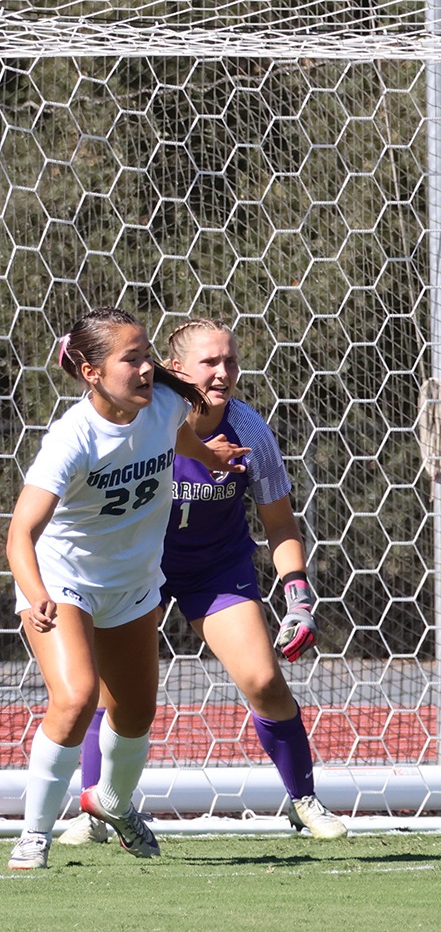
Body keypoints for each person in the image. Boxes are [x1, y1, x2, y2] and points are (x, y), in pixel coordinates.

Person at [57, 318, 346, 847]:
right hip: (142, 567)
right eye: (209, 362)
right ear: (175, 370)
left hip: (218, 569)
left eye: (230, 360)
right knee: (110, 692)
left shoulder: (250, 430)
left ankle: (303, 800)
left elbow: (279, 523)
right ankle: (98, 811)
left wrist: (299, 599)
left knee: (263, 680)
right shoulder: (146, 417)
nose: (223, 372)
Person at [7, 307, 248, 870]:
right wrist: (34, 588)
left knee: (136, 712)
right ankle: (34, 834)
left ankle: (112, 802)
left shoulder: (163, 406)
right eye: (130, 359)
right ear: (92, 373)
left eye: (147, 357)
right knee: (75, 698)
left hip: (135, 583)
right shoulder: (72, 439)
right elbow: (20, 532)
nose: (145, 370)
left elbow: (178, 438)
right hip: (64, 583)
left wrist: (207, 454)